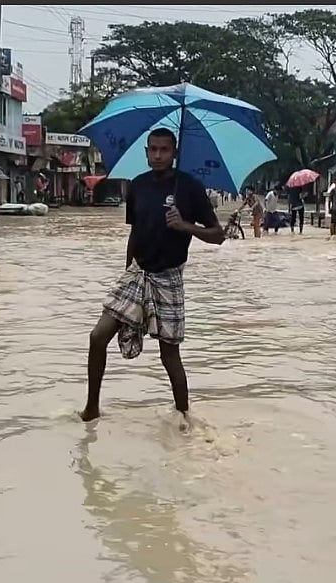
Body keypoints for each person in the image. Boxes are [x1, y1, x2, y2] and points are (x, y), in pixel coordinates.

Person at [80, 127, 225, 423]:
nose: (158, 155)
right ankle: (91, 408)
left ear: (174, 153)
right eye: (153, 150)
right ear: (146, 153)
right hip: (138, 273)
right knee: (98, 337)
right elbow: (135, 231)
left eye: (164, 150)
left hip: (169, 278)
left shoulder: (190, 188)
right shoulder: (139, 185)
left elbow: (218, 235)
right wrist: (127, 271)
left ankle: (183, 416)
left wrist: (186, 226)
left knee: (169, 356)